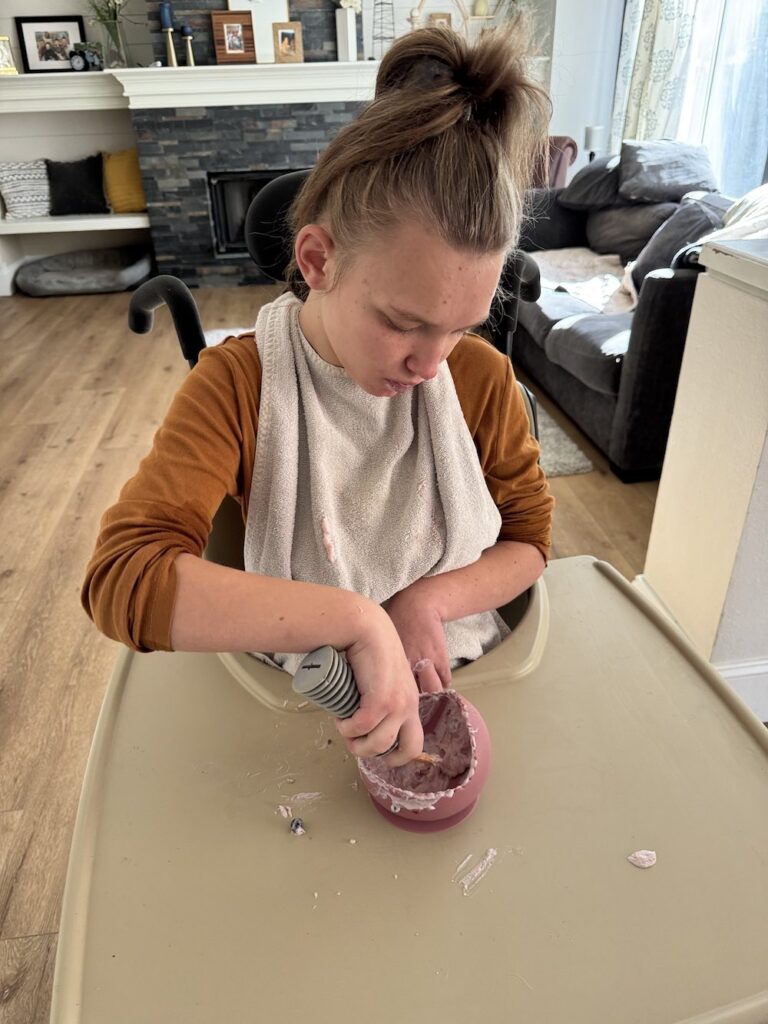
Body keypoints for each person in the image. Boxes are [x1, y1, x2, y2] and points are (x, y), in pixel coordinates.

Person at [81, 20, 554, 770]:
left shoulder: (481, 380)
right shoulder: (239, 388)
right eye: (403, 322)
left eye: (460, 328)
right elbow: (121, 579)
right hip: (303, 709)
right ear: (318, 258)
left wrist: (423, 602)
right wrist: (354, 619)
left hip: (474, 679)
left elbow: (530, 542)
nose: (431, 365)